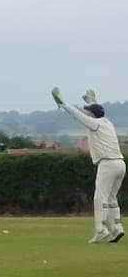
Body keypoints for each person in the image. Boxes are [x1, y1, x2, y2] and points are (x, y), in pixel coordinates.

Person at [52, 87, 125, 243]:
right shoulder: (107, 122)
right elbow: (97, 109)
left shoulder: (95, 124)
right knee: (111, 198)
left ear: (92, 114)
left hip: (107, 164)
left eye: (88, 112)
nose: (86, 113)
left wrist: (62, 102)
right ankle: (117, 228)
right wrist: (91, 100)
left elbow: (77, 115)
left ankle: (101, 230)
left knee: (100, 197)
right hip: (120, 164)